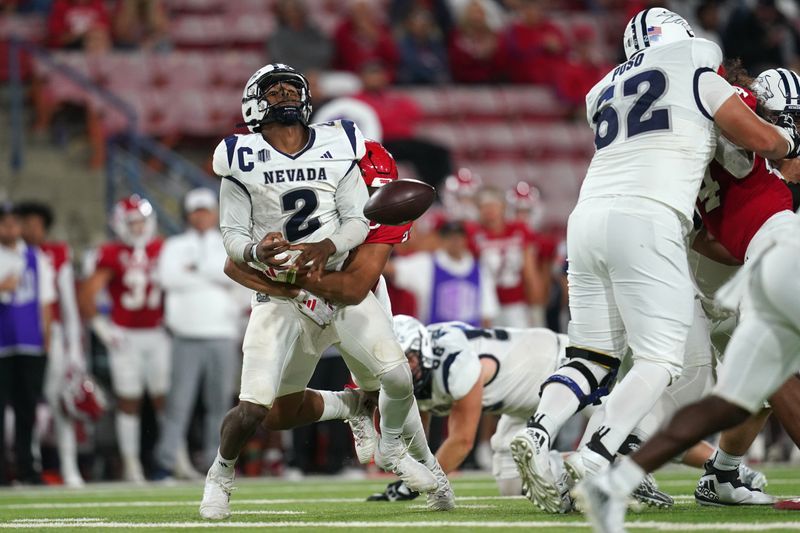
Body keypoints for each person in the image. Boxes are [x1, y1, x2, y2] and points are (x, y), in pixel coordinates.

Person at [511, 7, 800, 516]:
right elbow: (761, 141)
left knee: (591, 357)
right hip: (652, 220)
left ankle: (540, 433)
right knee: (664, 363)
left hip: (589, 218)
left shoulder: (601, 89)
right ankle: (600, 453)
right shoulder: (697, 68)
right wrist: (785, 137)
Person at [200, 64, 446, 520]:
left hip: (345, 285)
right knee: (262, 411)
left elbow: (355, 276)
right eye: (274, 91)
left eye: (292, 88)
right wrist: (260, 253)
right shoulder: (240, 156)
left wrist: (323, 249)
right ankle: (341, 412)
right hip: (287, 294)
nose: (285, 95)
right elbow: (233, 252)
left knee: (394, 379)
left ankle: (410, 458)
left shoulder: (349, 154)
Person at [576, 69, 800, 532]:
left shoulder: (685, 133)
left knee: (737, 394)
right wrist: (783, 140)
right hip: (768, 250)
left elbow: (715, 237)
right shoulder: (732, 108)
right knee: (755, 379)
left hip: (736, 262)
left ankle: (629, 478)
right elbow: (769, 145)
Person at [368, 316, 567, 500]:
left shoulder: (455, 363)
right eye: (396, 363)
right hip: (521, 401)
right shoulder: (421, 366)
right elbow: (417, 432)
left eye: (408, 360)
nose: (404, 369)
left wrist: (412, 485)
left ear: (423, 350)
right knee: (512, 487)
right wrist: (410, 472)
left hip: (559, 365)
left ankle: (577, 464)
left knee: (584, 462)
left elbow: (462, 441)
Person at [152, 188, 244, 480]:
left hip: (222, 332)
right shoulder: (174, 245)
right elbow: (168, 278)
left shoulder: (228, 244)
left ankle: (215, 464)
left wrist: (196, 270)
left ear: (215, 213)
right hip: (185, 333)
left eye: (205, 210)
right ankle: (166, 464)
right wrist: (217, 275)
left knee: (220, 404)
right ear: (189, 214)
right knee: (178, 403)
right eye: (196, 211)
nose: (201, 216)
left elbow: (240, 282)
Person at [78, 195, 168, 483]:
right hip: (126, 335)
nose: (138, 228)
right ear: (120, 225)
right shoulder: (111, 253)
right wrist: (103, 329)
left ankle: (172, 459)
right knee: (129, 401)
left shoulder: (163, 248)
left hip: (158, 333)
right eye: (132, 223)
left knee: (165, 399)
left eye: (141, 222)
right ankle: (131, 464)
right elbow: (88, 294)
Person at [15, 201, 88, 487]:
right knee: (27, 404)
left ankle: (69, 467)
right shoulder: (11, 253)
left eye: (36, 223)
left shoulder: (56, 253)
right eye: (26, 223)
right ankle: (29, 466)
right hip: (22, 336)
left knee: (60, 403)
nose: (31, 229)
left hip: (53, 333)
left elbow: (69, 304)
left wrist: (75, 349)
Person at [0, 203, 55, 486]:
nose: (9, 228)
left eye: (13, 222)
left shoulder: (36, 257)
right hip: (2, 344)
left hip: (29, 343)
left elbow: (45, 303)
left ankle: (27, 468)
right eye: (4, 223)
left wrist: (46, 338)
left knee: (27, 410)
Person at [384, 220, 498, 326]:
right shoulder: (427, 264)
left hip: (470, 341)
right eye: (450, 238)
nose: (455, 241)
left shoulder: (480, 271)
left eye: (458, 237)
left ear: (465, 240)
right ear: (442, 240)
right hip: (436, 340)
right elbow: (392, 269)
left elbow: (486, 314)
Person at [467, 186, 546, 328]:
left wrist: (536, 306)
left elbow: (530, 271)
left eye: (493, 205)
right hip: (488, 305)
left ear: (503, 207)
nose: (489, 210)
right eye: (484, 206)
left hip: (517, 302)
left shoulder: (519, 229)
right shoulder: (474, 233)